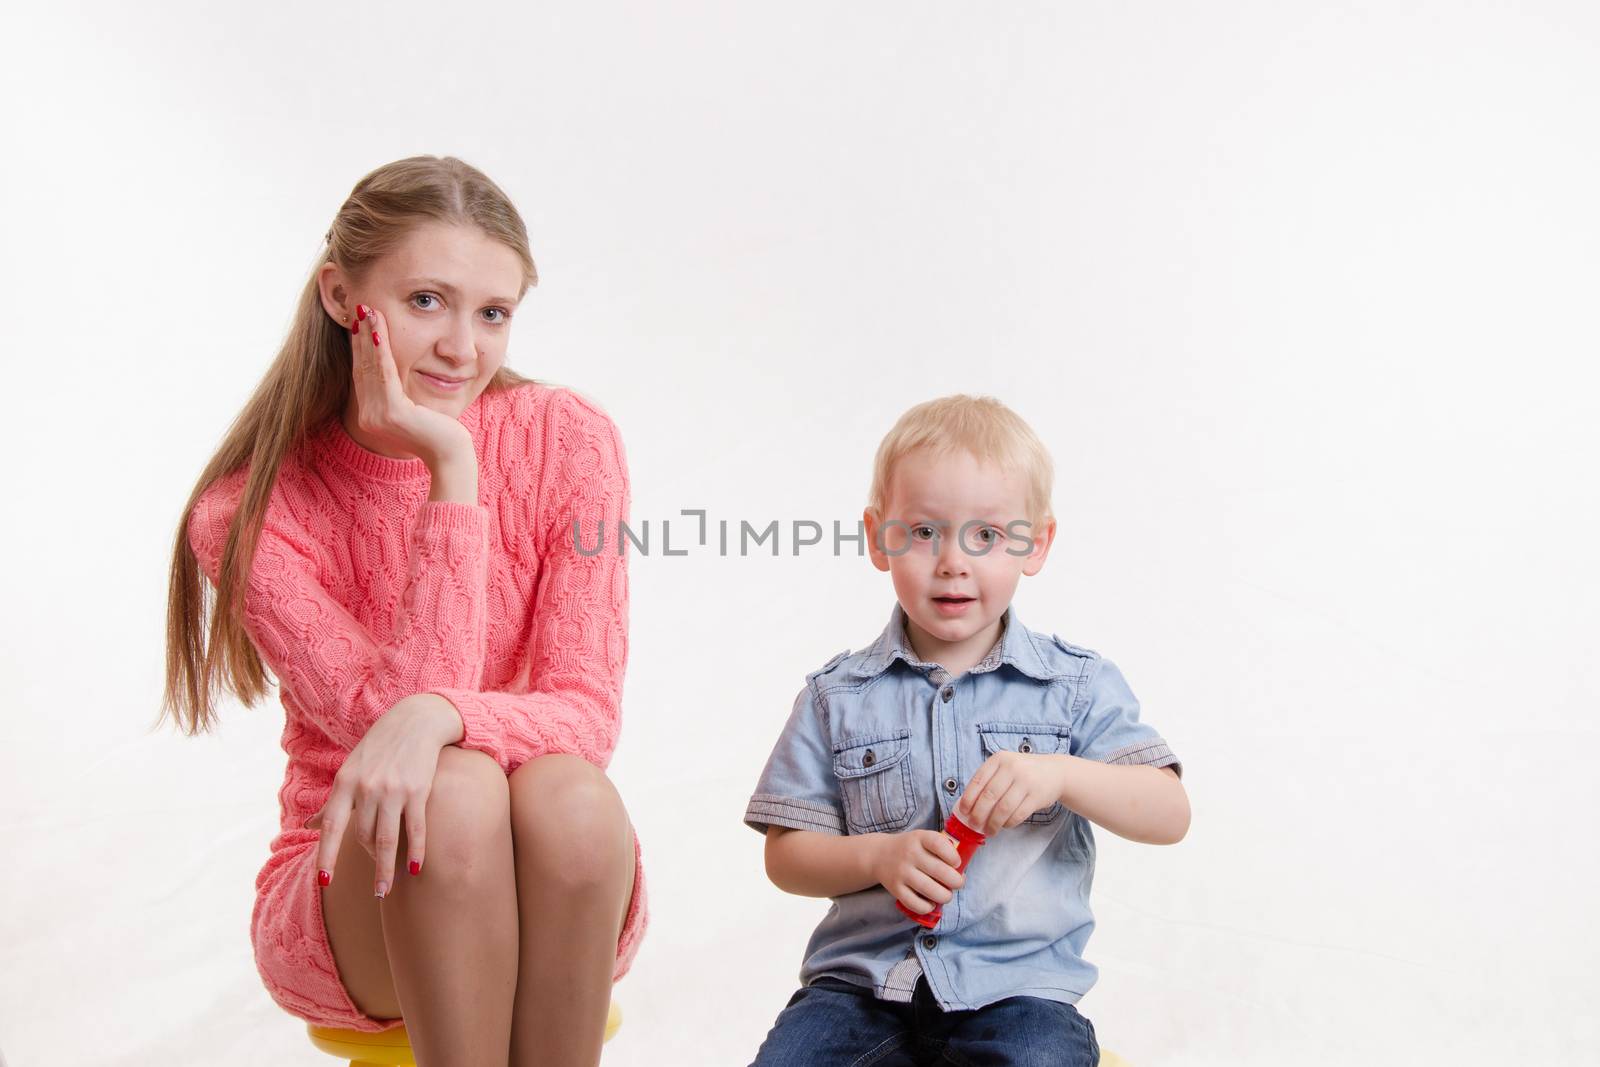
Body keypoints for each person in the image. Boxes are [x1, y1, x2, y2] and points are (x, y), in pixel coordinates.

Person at [159, 155, 646, 1067]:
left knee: (573, 794)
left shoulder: (569, 437)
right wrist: (451, 473)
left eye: (493, 313)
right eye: (428, 300)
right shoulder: (246, 514)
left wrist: (444, 712)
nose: (464, 346)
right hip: (361, 884)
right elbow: (395, 749)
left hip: (555, 873)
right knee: (453, 790)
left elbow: (587, 714)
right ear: (344, 296)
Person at [743, 394, 1190, 1066]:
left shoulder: (1074, 687)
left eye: (985, 535)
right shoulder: (836, 696)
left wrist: (1062, 775)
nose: (953, 560)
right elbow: (786, 854)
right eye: (924, 532)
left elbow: (1169, 811)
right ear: (878, 537)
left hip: (1019, 994)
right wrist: (877, 857)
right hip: (859, 989)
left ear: (1036, 543)